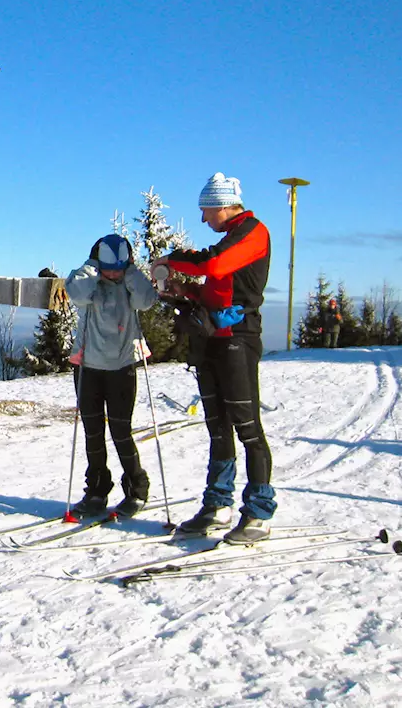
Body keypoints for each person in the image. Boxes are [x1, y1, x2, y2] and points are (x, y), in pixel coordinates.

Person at [152, 173, 275, 543]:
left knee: (247, 427)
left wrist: (173, 259)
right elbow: (217, 288)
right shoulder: (231, 238)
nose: (204, 220)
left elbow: (216, 265)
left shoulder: (254, 232)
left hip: (238, 340)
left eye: (206, 211)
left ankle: (259, 513)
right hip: (212, 342)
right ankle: (218, 506)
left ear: (222, 205)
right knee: (217, 427)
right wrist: (183, 290)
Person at [64, 233, 160, 518]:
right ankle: (96, 491)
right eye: (110, 267)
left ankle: (137, 490)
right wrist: (93, 267)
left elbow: (146, 301)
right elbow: (77, 293)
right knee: (93, 434)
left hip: (122, 367)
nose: (114, 272)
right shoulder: (90, 282)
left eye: (120, 266)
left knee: (121, 432)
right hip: (88, 367)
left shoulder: (130, 283)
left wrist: (131, 272)